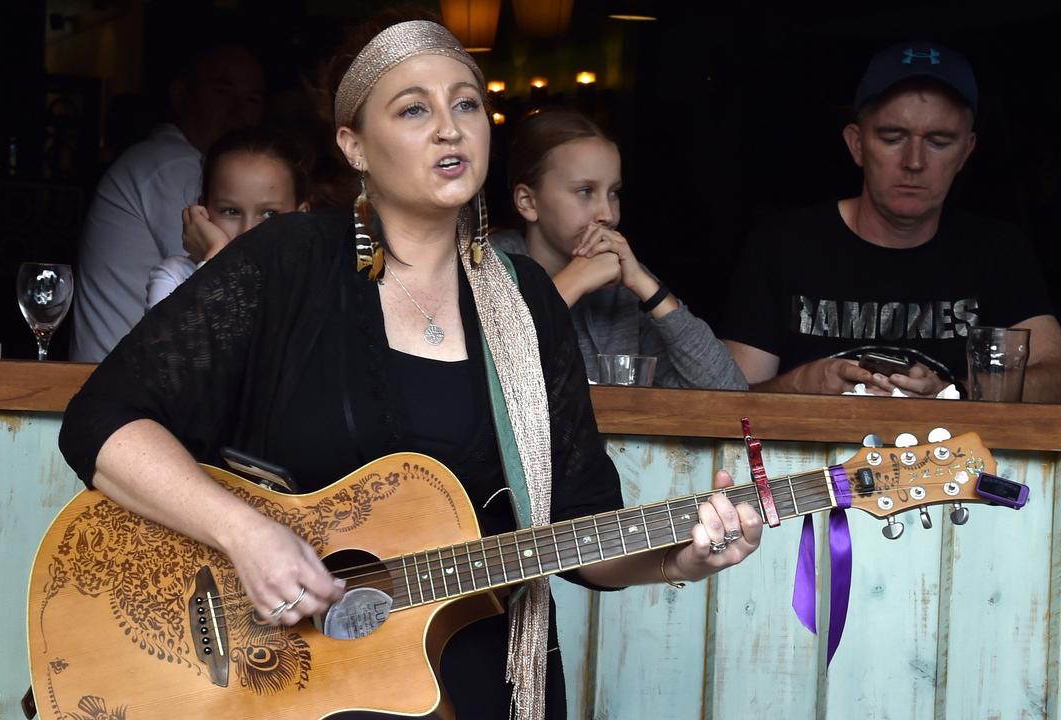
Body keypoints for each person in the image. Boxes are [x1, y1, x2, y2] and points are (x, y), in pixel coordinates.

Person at [59, 16, 762, 719]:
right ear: (353, 144)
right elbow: (101, 421)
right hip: (289, 685)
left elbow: (580, 532)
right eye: (414, 109)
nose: (451, 128)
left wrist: (678, 559)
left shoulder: (528, 304)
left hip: (484, 683)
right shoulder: (287, 262)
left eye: (465, 103)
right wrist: (246, 535)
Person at [723, 41, 1061, 400]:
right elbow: (723, 402)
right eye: (892, 137)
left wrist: (954, 395)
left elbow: (1055, 375)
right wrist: (800, 385)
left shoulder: (997, 250)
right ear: (856, 144)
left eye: (938, 141)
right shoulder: (783, 244)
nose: (914, 161)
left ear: (966, 152)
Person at [495, 110, 747, 390]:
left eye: (613, 192)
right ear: (528, 202)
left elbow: (729, 390)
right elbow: (482, 377)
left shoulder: (625, 285)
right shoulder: (487, 269)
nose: (608, 214)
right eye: (585, 191)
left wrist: (646, 286)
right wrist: (573, 282)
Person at [70, 43, 265, 362]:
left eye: (253, 98)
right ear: (181, 95)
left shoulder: (176, 162)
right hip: (125, 396)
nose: (239, 110)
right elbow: (238, 287)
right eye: (222, 91)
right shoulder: (171, 165)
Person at [145, 127, 310, 310]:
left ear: (301, 217)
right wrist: (215, 260)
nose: (247, 232)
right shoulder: (176, 277)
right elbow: (177, 338)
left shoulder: (316, 286)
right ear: (203, 211)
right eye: (231, 211)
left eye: (269, 214)